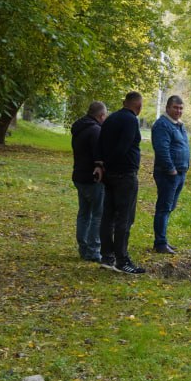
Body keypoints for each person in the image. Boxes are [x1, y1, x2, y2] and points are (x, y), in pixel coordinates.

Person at [95, 91, 146, 274]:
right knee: (124, 217)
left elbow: (100, 144)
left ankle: (107, 256)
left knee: (108, 216)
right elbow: (124, 147)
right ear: (138, 106)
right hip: (125, 174)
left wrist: (102, 164)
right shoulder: (131, 120)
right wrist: (111, 163)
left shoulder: (110, 119)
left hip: (109, 174)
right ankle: (122, 260)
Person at [151, 95, 190, 254]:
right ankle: (160, 243)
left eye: (181, 108)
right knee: (164, 208)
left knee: (169, 207)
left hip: (180, 172)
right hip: (168, 174)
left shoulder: (179, 125)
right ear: (167, 108)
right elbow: (162, 150)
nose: (178, 111)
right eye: (175, 108)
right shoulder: (162, 125)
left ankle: (162, 240)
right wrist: (171, 169)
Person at [70, 101, 107, 262]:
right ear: (101, 115)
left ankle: (83, 248)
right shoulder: (96, 131)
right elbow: (98, 155)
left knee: (84, 213)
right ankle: (93, 250)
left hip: (79, 176)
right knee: (97, 215)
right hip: (92, 178)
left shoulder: (79, 129)